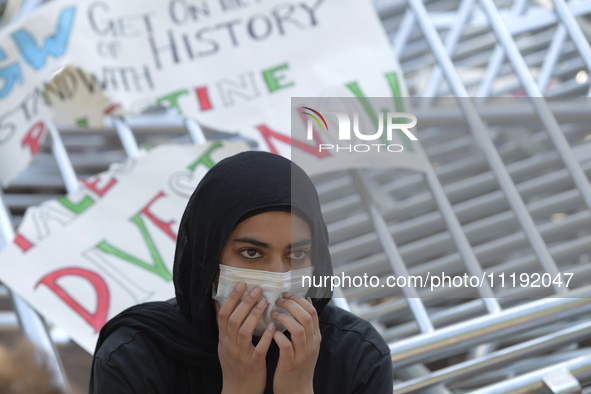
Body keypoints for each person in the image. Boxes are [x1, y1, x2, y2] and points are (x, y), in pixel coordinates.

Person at [90, 150, 393, 393]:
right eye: (252, 253)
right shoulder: (134, 359)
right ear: (206, 258)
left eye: (297, 254)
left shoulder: (356, 356)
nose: (278, 275)